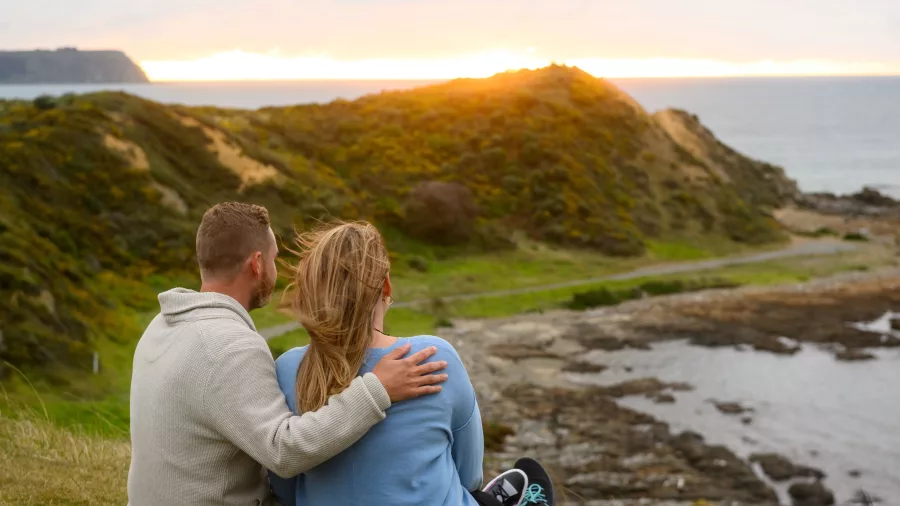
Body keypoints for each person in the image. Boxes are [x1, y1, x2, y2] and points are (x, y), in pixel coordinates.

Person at [128, 203, 449, 506]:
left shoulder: (163, 324)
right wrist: (377, 389)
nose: (275, 270)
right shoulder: (229, 346)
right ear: (256, 264)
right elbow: (284, 452)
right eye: (273, 259)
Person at [269, 221, 555, 506]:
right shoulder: (431, 356)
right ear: (386, 286)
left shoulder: (287, 369)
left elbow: (284, 487)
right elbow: (469, 476)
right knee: (505, 486)